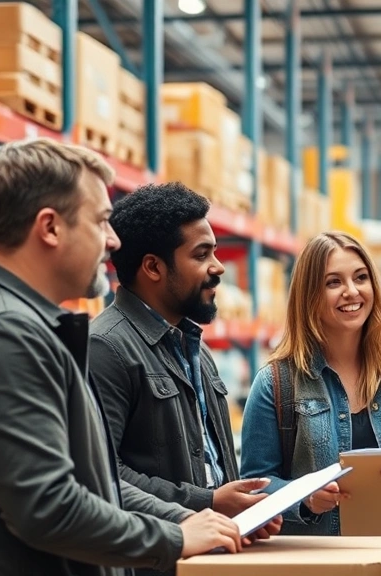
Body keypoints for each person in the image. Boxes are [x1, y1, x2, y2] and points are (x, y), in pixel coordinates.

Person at [0, 139, 246, 576]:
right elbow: (48, 506)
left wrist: (187, 517)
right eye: (101, 221)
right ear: (50, 228)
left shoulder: (20, 324)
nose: (112, 240)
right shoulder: (1, 333)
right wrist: (175, 538)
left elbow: (98, 484)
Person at [88, 182, 280, 576]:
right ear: (154, 267)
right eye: (201, 254)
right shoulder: (105, 348)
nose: (219, 267)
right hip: (157, 563)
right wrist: (207, 502)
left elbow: (211, 460)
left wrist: (241, 512)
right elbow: (102, 475)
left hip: (212, 558)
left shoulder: (195, 348)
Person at [239, 231, 381, 536]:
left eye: (361, 278)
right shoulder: (277, 382)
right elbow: (255, 485)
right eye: (334, 282)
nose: (352, 291)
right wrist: (304, 498)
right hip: (320, 561)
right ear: (309, 296)